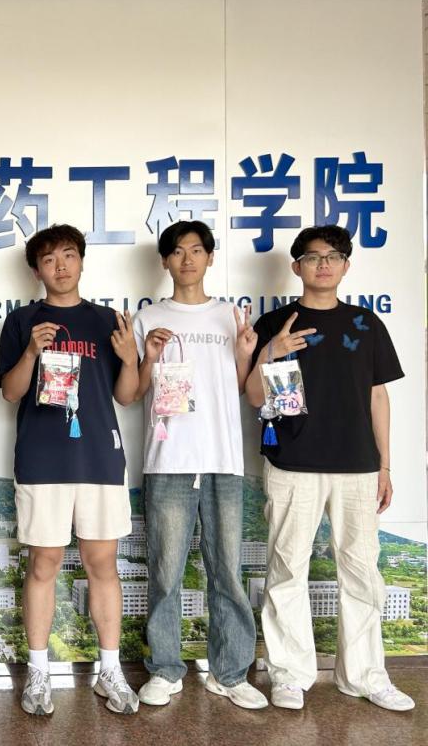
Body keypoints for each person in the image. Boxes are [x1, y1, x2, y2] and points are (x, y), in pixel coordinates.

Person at [244, 225, 414, 712]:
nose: (323, 264)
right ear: (296, 266)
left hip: (358, 465)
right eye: (314, 256)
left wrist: (385, 466)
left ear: (346, 265)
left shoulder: (365, 323)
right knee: (286, 570)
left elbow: (378, 396)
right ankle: (289, 674)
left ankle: (364, 676)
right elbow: (253, 396)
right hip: (293, 462)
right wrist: (273, 351)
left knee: (361, 571)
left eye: (333, 256)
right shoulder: (275, 323)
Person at [0, 224, 140, 716]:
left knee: (103, 565)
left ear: (81, 261)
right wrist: (31, 352)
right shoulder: (22, 321)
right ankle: (39, 673)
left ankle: (110, 671)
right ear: (36, 270)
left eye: (69, 255)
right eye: (49, 259)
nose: (60, 266)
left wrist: (130, 359)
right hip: (43, 460)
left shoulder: (107, 321)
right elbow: (11, 392)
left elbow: (127, 395)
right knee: (44, 564)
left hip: (99, 457)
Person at [131, 221, 267, 710]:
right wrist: (147, 357)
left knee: (227, 571)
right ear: (164, 261)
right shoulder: (147, 318)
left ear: (210, 257)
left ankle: (229, 674)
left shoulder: (231, 317)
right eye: (177, 251)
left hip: (223, 459)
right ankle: (165, 670)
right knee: (165, 572)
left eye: (196, 250)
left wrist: (246, 354)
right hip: (168, 460)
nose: (187, 259)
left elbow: (241, 389)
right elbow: (134, 392)